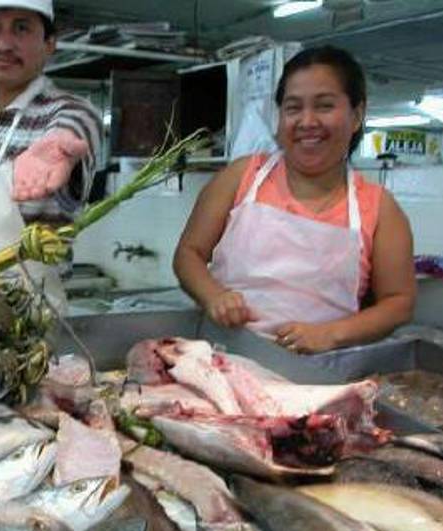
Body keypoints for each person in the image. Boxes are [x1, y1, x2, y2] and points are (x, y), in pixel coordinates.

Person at [174, 46, 416, 354]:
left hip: (318, 372)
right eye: (293, 108)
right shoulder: (241, 177)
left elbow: (399, 303)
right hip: (221, 361)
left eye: (324, 106)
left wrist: (331, 334)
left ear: (356, 115)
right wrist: (213, 296)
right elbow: (188, 254)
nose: (307, 121)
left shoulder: (381, 208)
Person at [0, 0, 103, 310]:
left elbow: (71, 132)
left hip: (27, 317)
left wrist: (60, 148)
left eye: (21, 28)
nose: (3, 44)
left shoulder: (72, 113)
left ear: (49, 43)